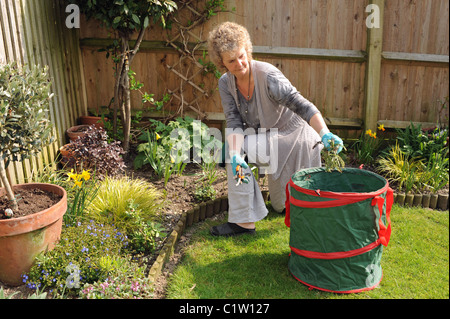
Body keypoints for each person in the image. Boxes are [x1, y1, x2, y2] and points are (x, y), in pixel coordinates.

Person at [207, 22, 343, 237]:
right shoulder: (225, 83)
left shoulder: (268, 76)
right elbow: (233, 121)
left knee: (282, 205)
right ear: (222, 63)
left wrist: (324, 132)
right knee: (231, 156)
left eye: (241, 55)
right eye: (231, 60)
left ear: (247, 49)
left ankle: (289, 204)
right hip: (268, 137)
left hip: (295, 136)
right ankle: (243, 223)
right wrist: (234, 154)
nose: (239, 63)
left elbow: (303, 106)